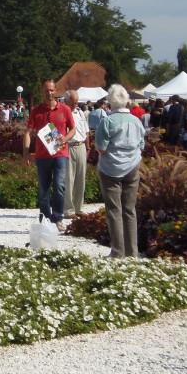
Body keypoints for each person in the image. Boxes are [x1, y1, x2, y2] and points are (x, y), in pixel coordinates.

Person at [95, 84, 146, 258]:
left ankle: (118, 251)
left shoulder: (107, 121)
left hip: (111, 168)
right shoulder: (136, 121)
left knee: (114, 210)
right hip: (132, 166)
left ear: (110, 101)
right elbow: (142, 145)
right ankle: (132, 252)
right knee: (129, 210)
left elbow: (101, 147)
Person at [22, 79, 75, 232]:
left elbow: (72, 129)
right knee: (43, 190)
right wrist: (26, 153)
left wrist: (65, 138)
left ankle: (58, 217)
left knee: (59, 185)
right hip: (42, 155)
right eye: (46, 90)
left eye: (51, 90)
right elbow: (28, 132)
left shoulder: (64, 109)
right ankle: (45, 218)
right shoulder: (36, 111)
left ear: (55, 90)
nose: (49, 93)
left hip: (60, 153)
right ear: (41, 92)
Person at [62, 90, 89, 219]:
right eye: (72, 103)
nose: (75, 105)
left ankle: (79, 208)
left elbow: (86, 130)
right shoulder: (61, 112)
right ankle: (68, 209)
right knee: (69, 179)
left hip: (81, 146)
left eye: (76, 103)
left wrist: (88, 147)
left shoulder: (80, 112)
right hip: (68, 146)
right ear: (66, 101)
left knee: (80, 178)